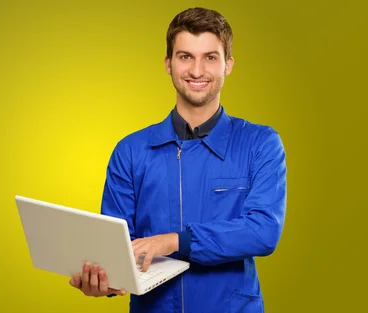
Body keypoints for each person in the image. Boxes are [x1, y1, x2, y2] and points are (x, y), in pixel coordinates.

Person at [68, 7, 287, 313]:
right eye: (185, 56)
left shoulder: (260, 144)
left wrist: (174, 241)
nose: (197, 71)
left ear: (228, 65)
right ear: (168, 64)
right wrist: (103, 281)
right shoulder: (131, 151)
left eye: (210, 57)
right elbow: (118, 250)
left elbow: (263, 231)